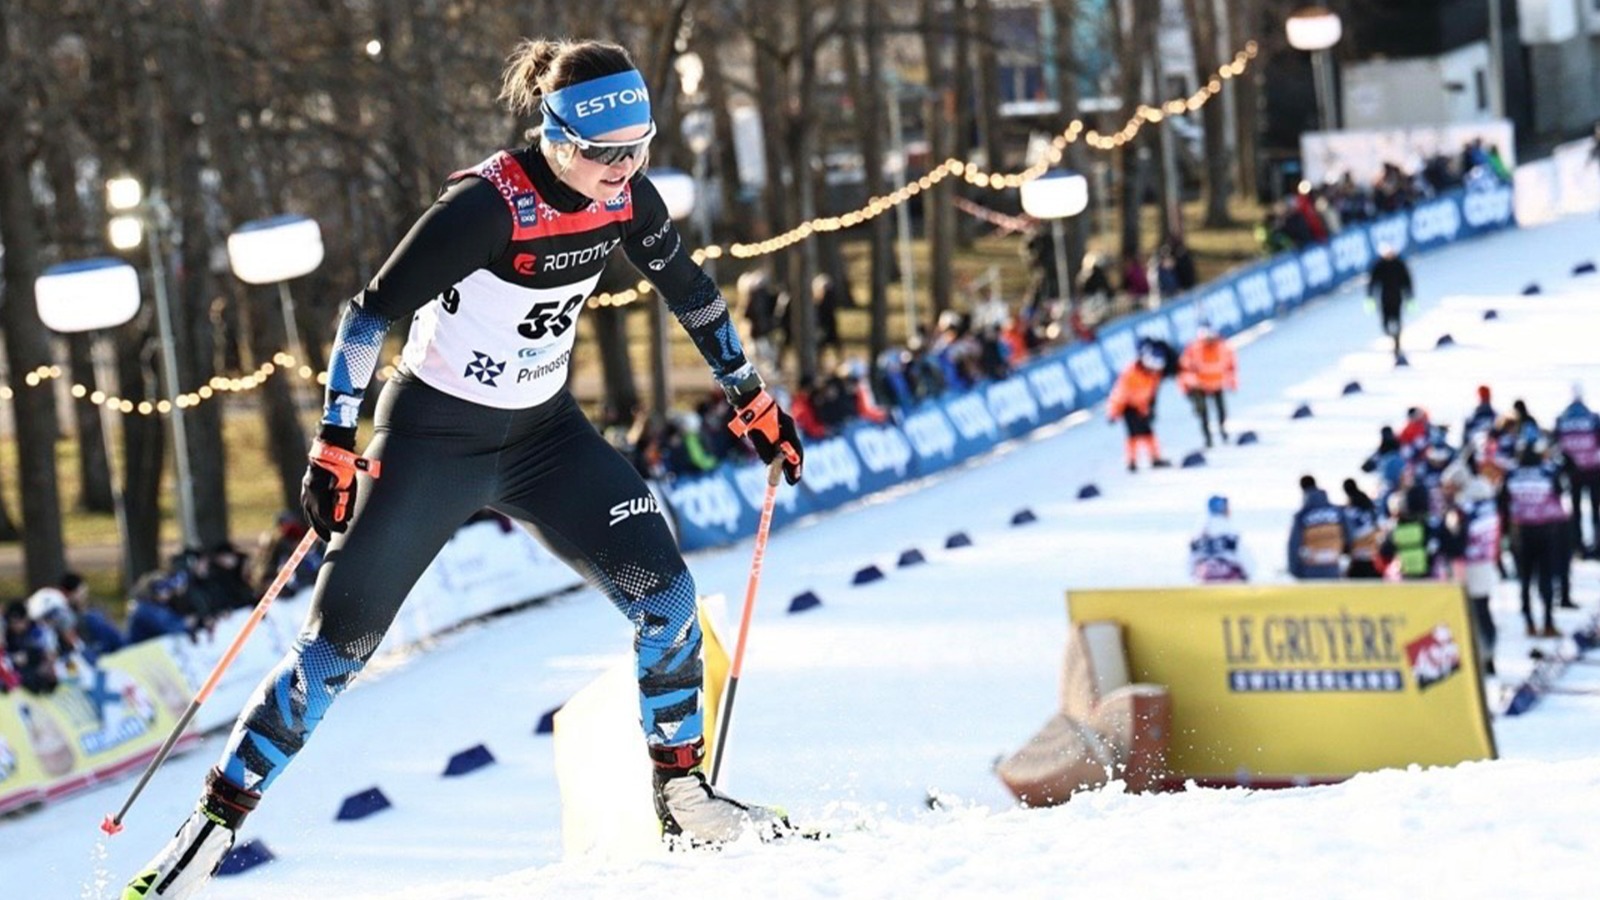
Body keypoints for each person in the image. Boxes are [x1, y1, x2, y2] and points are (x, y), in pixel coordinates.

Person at [125, 38, 807, 899]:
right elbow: (368, 316)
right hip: (431, 444)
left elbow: (693, 289)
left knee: (667, 597)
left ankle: (684, 797)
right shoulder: (486, 208)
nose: (623, 168)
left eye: (638, 148)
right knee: (333, 651)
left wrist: (750, 397)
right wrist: (335, 440)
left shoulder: (627, 197)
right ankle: (208, 831)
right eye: (604, 153)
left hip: (546, 438)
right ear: (555, 135)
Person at [1500, 438, 1568, 637]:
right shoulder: (1547, 472)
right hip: (1546, 531)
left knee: (1525, 579)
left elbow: (1503, 502)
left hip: (1519, 532)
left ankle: (1529, 623)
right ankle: (1548, 623)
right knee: (1545, 579)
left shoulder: (1511, 474)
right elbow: (1560, 493)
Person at [1107, 343, 1171, 472]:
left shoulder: (1154, 374)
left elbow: (1152, 391)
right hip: (1128, 407)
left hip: (1142, 406)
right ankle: (1131, 461)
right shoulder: (1130, 373)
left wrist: (1150, 407)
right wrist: (1113, 411)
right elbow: (1120, 393)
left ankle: (1155, 458)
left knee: (1148, 432)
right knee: (1133, 435)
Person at [1554, 382, 1600, 558]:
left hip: (1573, 472)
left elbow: (1556, 446)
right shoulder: (1593, 418)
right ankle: (1597, 545)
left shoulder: (1562, 419)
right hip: (1594, 469)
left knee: (1576, 509)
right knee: (1596, 509)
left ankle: (1577, 545)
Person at [1177, 325, 1237, 448]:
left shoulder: (1222, 347)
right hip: (1200, 386)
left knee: (1221, 410)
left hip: (1217, 384)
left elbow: (1231, 365)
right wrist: (1187, 387)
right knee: (1203, 413)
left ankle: (1223, 431)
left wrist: (1232, 381)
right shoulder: (1193, 349)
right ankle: (1208, 438)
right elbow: (1184, 369)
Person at [1288, 475, 1350, 579]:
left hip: (1310, 569)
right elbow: (1349, 536)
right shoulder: (1338, 512)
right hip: (1333, 566)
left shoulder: (1302, 515)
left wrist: (1294, 570)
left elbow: (1294, 545)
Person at [1366, 243, 1413, 363]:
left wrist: (1409, 296)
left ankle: (1397, 344)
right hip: (1384, 298)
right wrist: (1370, 297)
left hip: (1397, 297)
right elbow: (1372, 282)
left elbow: (1407, 280)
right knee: (1386, 323)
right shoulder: (1379, 265)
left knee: (1397, 321)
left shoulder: (1399, 264)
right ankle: (1391, 334)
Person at [1189, 495, 1252, 582]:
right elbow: (1247, 562)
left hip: (1203, 578)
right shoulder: (1230, 530)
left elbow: (1189, 563)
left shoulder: (1199, 532)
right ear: (1223, 509)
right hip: (1227, 578)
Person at [1340, 479, 1383, 579]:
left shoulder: (1349, 512)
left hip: (1358, 558)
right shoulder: (1370, 507)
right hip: (1374, 556)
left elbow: (1348, 536)